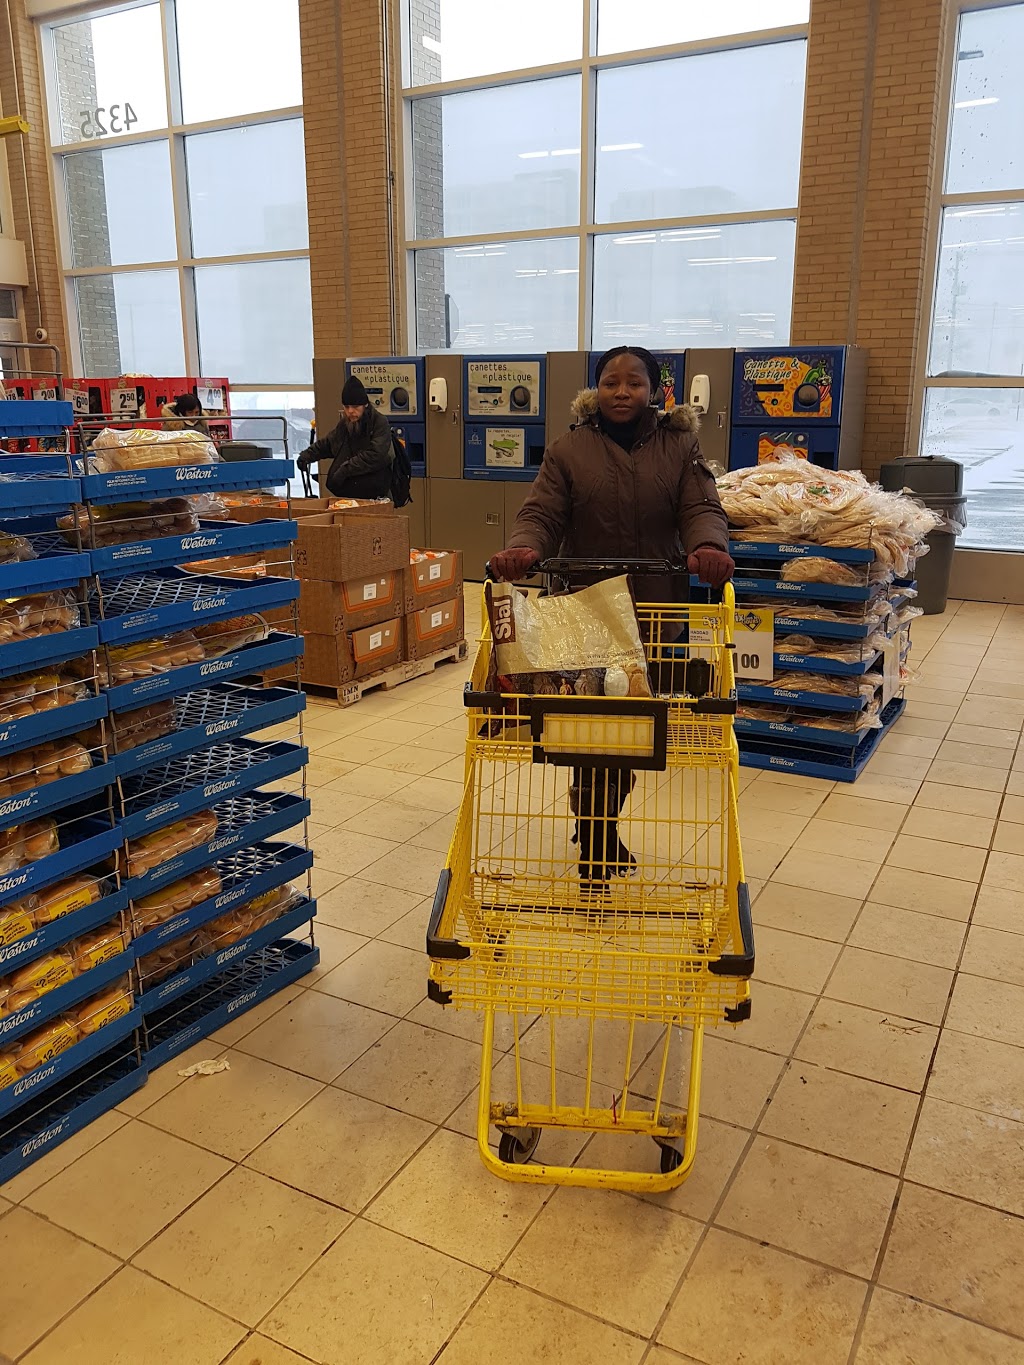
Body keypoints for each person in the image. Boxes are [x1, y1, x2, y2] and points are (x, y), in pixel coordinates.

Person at [488, 344, 735, 888]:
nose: (622, 392)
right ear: (595, 389)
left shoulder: (679, 445)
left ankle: (600, 822)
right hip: (587, 611)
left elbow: (700, 507)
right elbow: (542, 511)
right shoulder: (569, 449)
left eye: (635, 383)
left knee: (633, 726)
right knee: (588, 724)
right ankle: (596, 830)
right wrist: (524, 546)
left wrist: (709, 545)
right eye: (611, 382)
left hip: (654, 609)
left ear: (655, 390)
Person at [296, 376, 393, 499]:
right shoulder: (345, 424)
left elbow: (376, 454)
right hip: (351, 490)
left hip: (375, 490)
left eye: (355, 406)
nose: (350, 411)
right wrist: (307, 456)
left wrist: (345, 470)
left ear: (365, 405)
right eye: (346, 407)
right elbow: (329, 444)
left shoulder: (379, 422)